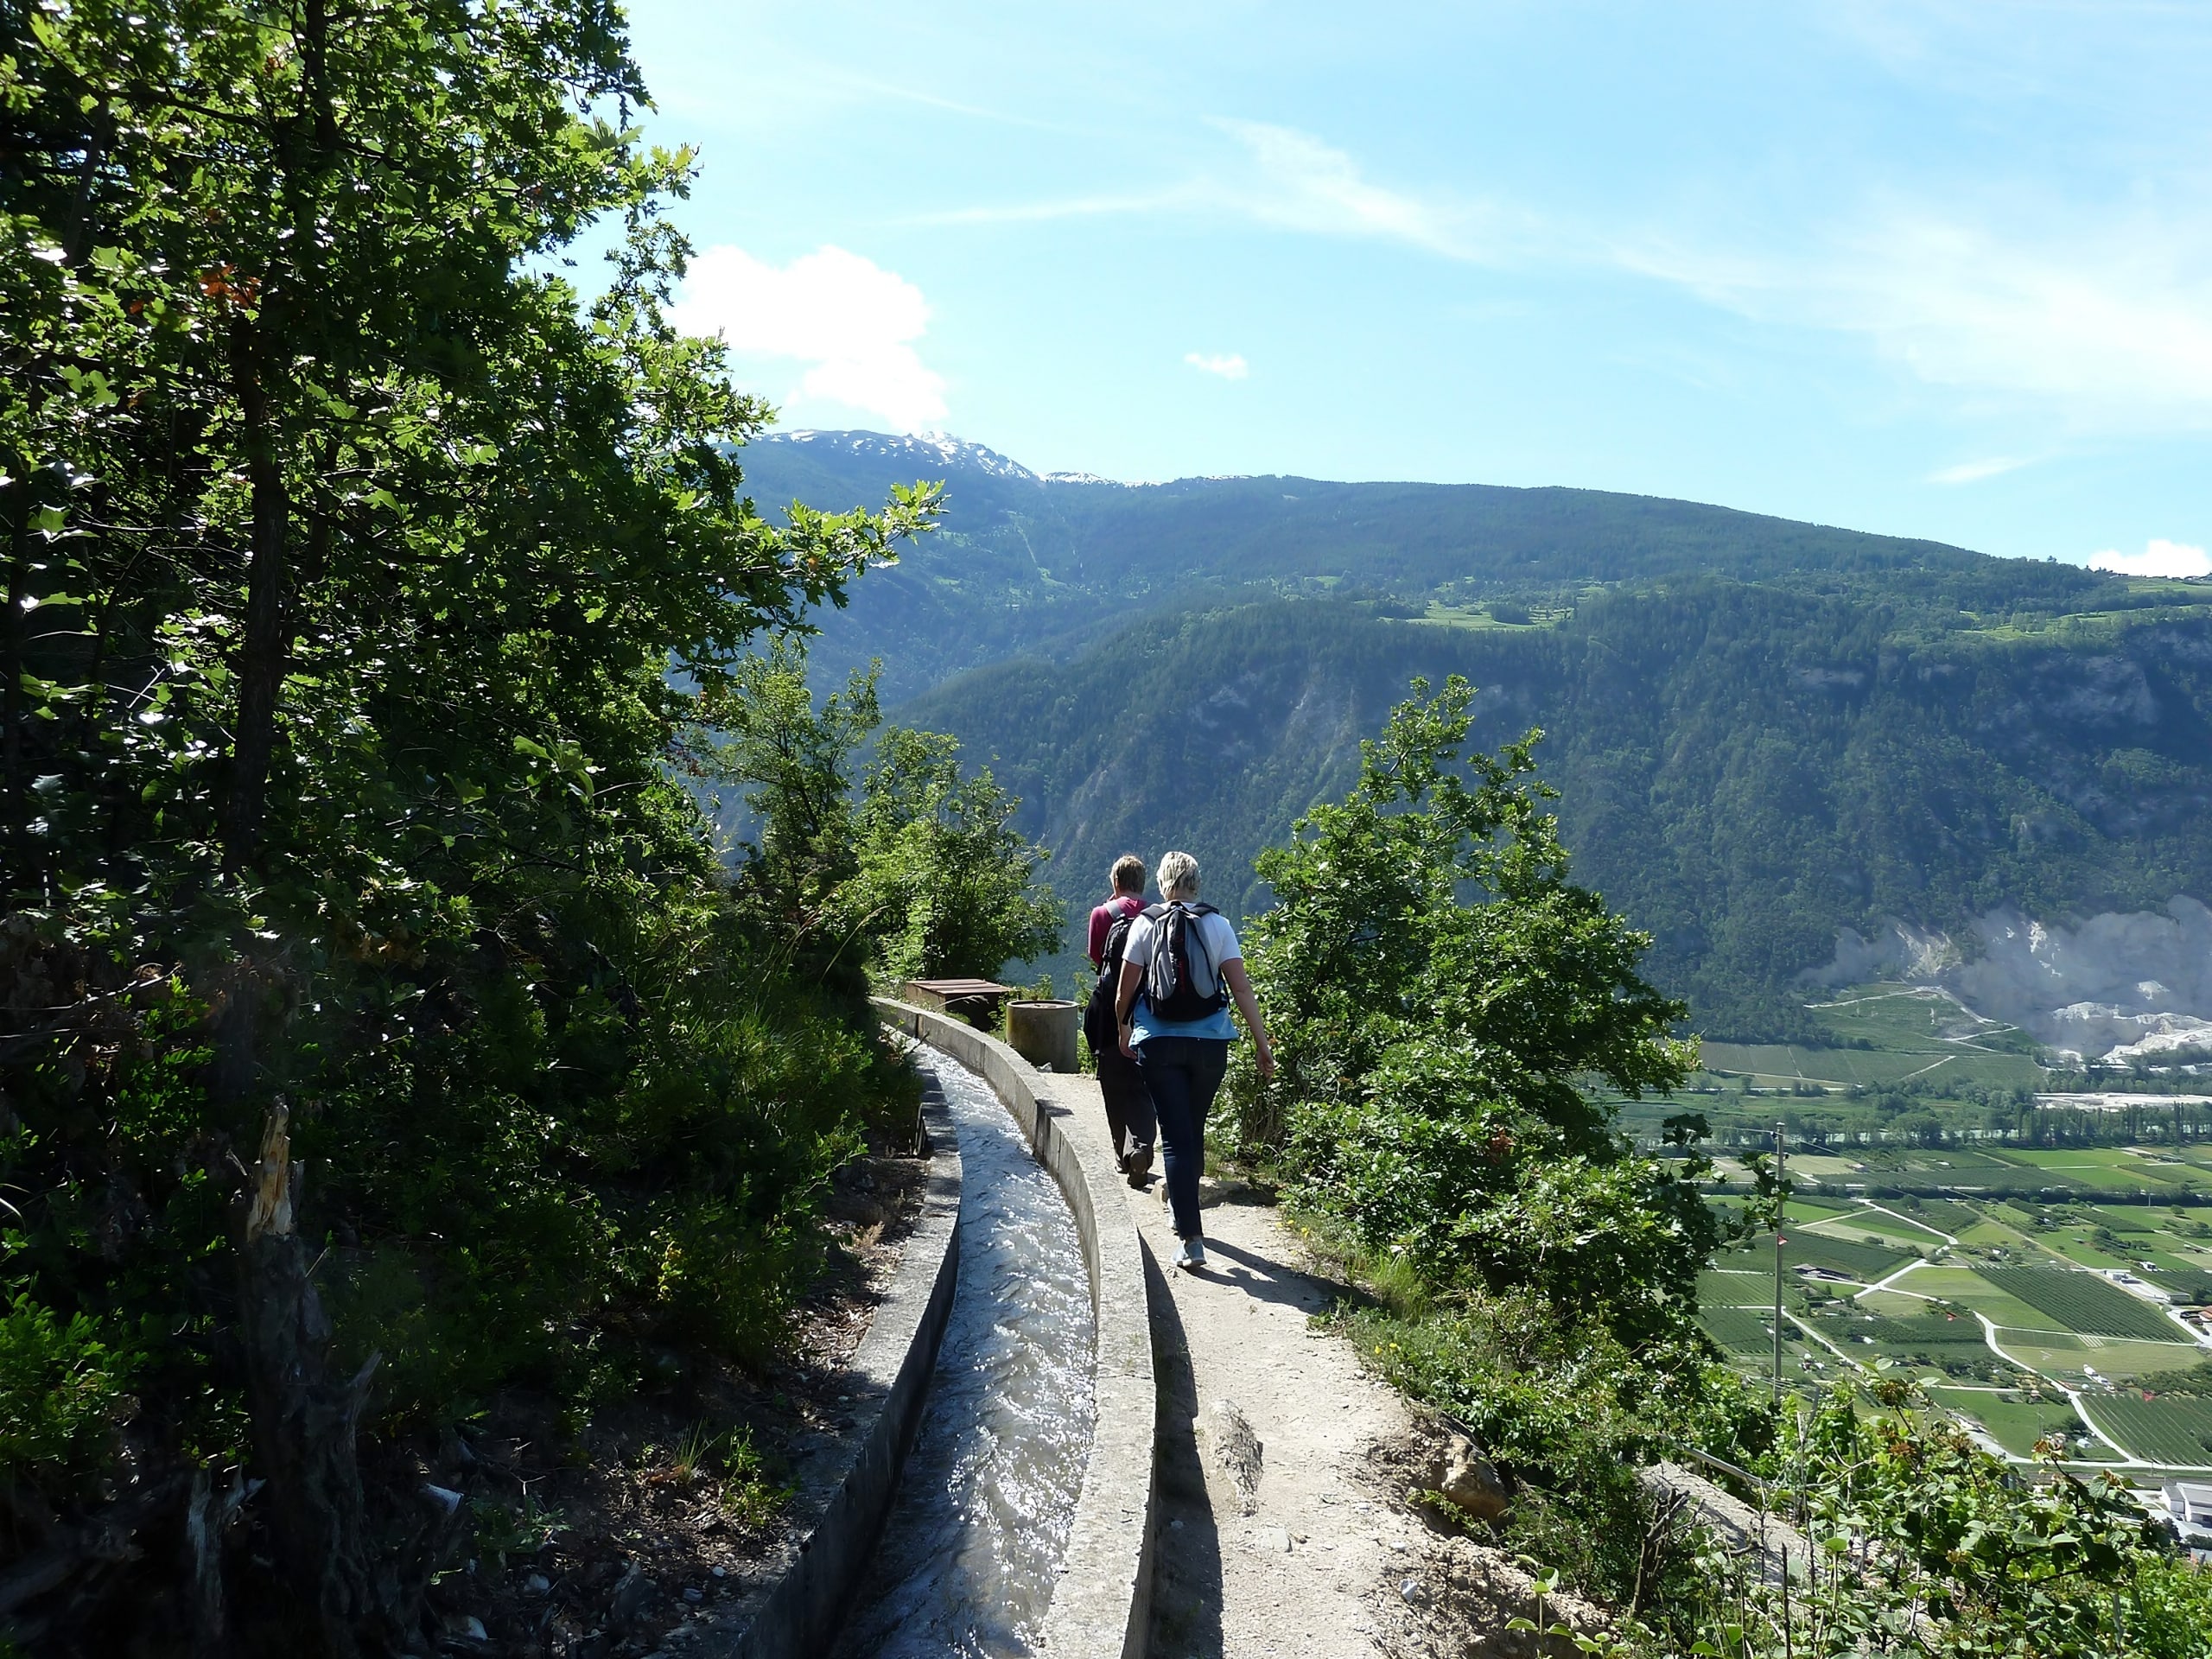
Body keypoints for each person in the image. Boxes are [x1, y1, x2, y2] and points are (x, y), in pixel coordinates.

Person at [1113, 849, 1274, 1271]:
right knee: (1191, 1132)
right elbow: (1240, 990)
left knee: (1176, 1134)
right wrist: (1261, 1043)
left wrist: (1123, 1029)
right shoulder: (1218, 924)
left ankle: (1191, 1238)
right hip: (1210, 1045)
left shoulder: (1145, 924)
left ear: (1163, 884)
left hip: (1159, 1044)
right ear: (1196, 883)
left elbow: (1123, 992)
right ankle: (1183, 1212)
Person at [1083, 855, 1157, 1185]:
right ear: (1142, 883)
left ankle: (1123, 1154)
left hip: (1112, 1008)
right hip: (1149, 1011)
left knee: (1112, 1082)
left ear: (1115, 882)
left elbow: (1097, 958)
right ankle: (1142, 1146)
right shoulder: (1158, 916)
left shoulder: (1102, 914)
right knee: (1143, 1084)